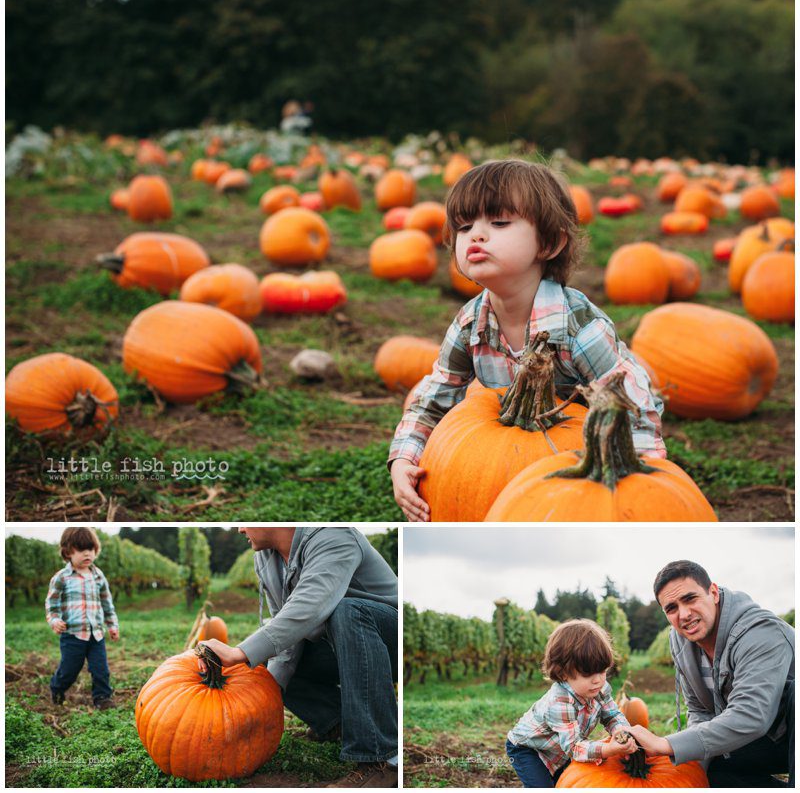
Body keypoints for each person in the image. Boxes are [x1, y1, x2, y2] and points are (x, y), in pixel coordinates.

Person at [389, 159, 664, 521]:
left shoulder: (579, 326)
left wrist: (639, 482)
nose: (477, 235)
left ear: (549, 243)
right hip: (508, 450)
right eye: (464, 226)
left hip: (576, 462)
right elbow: (436, 395)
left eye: (500, 223)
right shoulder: (470, 322)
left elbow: (632, 404)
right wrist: (404, 459)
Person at [199, 527, 398, 788]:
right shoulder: (264, 555)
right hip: (339, 644)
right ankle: (338, 722)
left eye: (245, 521)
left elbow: (309, 607)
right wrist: (261, 695)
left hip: (389, 640)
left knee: (348, 611)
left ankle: (383, 760)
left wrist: (240, 652)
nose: (239, 528)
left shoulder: (335, 536)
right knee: (271, 662)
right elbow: (285, 632)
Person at [629, 559, 794, 788]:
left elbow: (752, 715)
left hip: (785, 735)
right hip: (761, 739)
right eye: (672, 608)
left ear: (713, 593)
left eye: (690, 598)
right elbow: (699, 710)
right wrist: (690, 776)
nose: (684, 614)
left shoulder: (760, 632)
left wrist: (666, 744)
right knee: (714, 771)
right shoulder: (680, 640)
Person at [506, 619, 636, 787]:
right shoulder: (559, 703)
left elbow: (612, 715)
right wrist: (608, 750)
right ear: (563, 672)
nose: (598, 680)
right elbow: (574, 747)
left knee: (563, 783)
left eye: (602, 671)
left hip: (559, 748)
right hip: (528, 749)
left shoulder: (599, 688)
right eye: (588, 673)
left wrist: (621, 732)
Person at [46, 526, 119, 709]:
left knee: (100, 669)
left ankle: (102, 698)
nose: (87, 554)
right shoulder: (61, 578)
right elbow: (52, 604)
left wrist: (112, 625)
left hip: (96, 635)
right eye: (81, 549)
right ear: (68, 552)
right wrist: (54, 620)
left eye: (91, 549)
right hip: (73, 635)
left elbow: (107, 603)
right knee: (69, 670)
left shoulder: (98, 576)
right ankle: (57, 687)